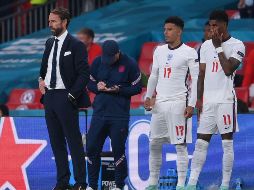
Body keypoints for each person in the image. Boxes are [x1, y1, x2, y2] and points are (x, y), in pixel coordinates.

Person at [186, 10, 245, 190]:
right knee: (200, 143)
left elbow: (228, 70)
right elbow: (201, 75)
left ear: (225, 25)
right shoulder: (205, 46)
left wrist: (218, 47)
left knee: (227, 144)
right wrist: (198, 101)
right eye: (210, 26)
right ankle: (191, 184)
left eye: (215, 25)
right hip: (208, 102)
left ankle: (225, 184)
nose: (212, 29)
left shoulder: (238, 45)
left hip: (226, 100)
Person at [144, 16, 199, 190]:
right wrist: (148, 95)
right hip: (160, 102)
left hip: (178, 103)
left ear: (179, 31)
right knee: (154, 143)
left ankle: (181, 184)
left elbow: (196, 79)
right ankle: (153, 183)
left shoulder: (189, 52)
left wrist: (192, 103)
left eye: (169, 29)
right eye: (164, 29)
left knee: (180, 145)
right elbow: (154, 75)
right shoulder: (159, 51)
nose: (165, 32)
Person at [38, 7, 90, 190]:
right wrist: (40, 80)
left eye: (53, 21)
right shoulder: (49, 43)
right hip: (50, 97)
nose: (50, 24)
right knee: (56, 141)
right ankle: (62, 181)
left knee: (73, 141)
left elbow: (84, 73)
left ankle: (81, 183)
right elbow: (44, 67)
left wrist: (71, 95)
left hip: (65, 96)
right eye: (49, 20)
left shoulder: (76, 45)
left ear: (64, 22)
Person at [86, 40, 142, 190]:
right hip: (99, 113)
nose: (108, 61)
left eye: (111, 58)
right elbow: (89, 83)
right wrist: (96, 87)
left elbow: (137, 87)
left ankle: (119, 186)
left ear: (118, 53)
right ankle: (91, 186)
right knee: (91, 148)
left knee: (118, 150)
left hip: (119, 115)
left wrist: (119, 90)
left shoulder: (129, 63)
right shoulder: (98, 61)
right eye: (106, 58)